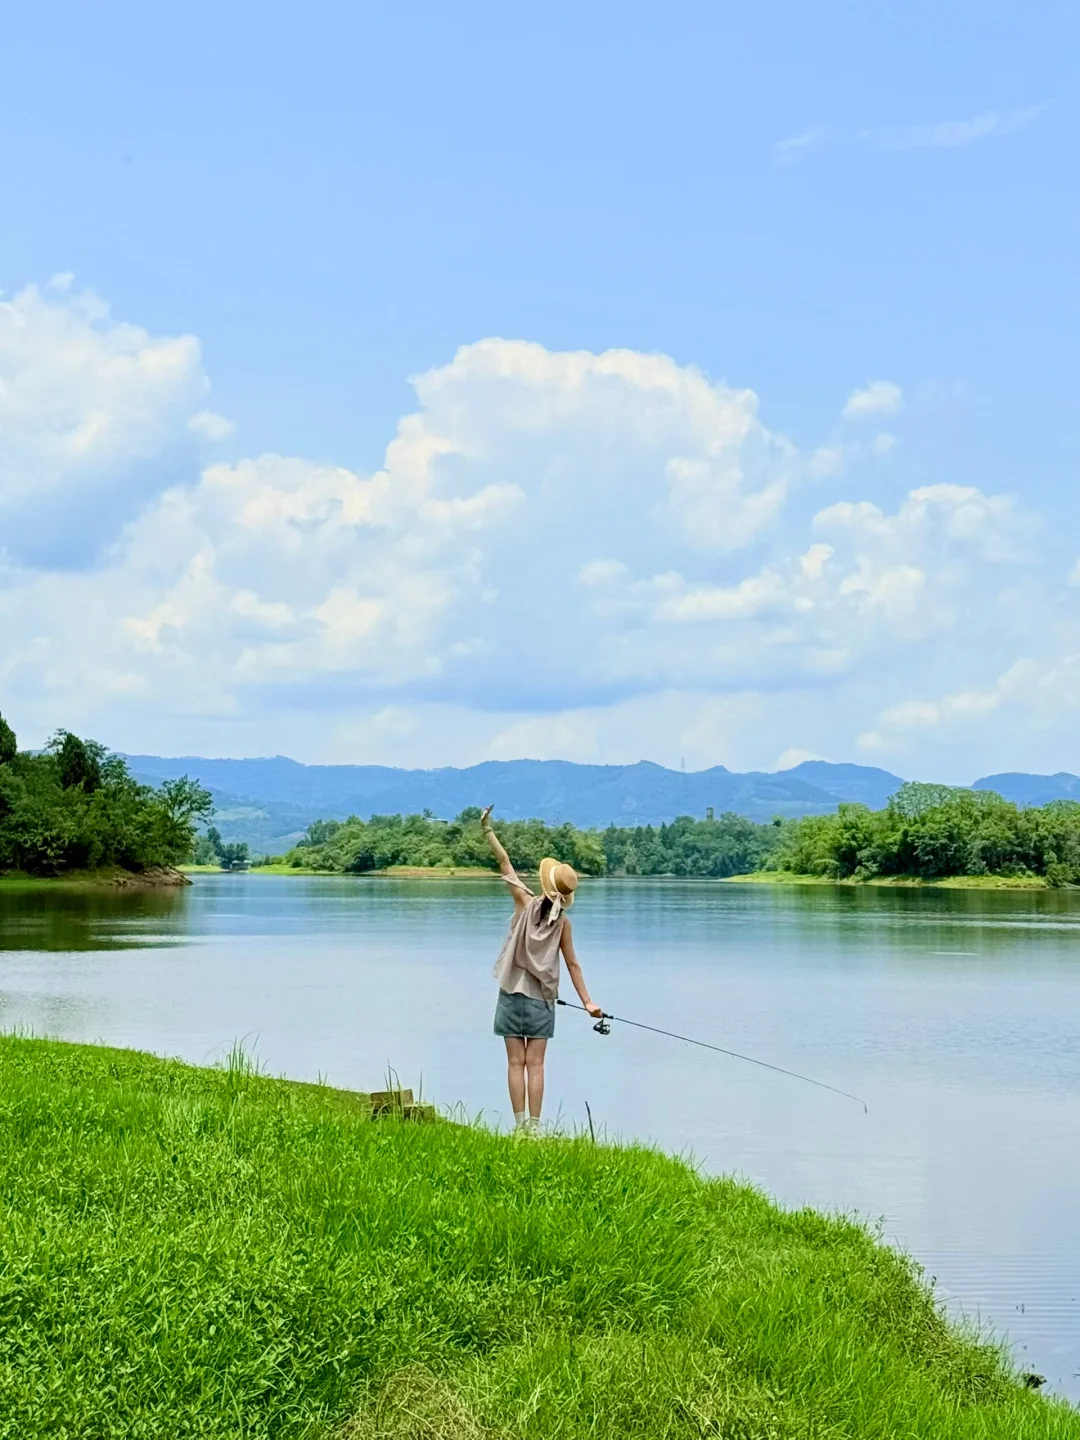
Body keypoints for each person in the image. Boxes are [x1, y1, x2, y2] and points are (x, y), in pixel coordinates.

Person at [481, 805, 602, 1136]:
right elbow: (573, 965)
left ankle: (519, 1126)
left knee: (514, 1063)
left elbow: (505, 864)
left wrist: (488, 830)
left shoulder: (523, 902)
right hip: (542, 1002)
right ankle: (535, 1129)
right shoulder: (563, 924)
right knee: (536, 1066)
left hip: (510, 994)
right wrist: (589, 1003)